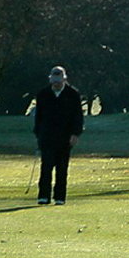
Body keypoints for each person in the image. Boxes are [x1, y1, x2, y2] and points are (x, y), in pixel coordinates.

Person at [33, 65, 84, 205]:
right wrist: (38, 134)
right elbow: (39, 117)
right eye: (54, 79)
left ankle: (60, 197)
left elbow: (78, 116)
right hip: (47, 137)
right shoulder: (43, 94)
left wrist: (75, 134)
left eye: (59, 79)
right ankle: (43, 196)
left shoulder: (72, 94)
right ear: (50, 79)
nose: (56, 82)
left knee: (62, 169)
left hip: (65, 138)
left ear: (64, 79)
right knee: (46, 168)